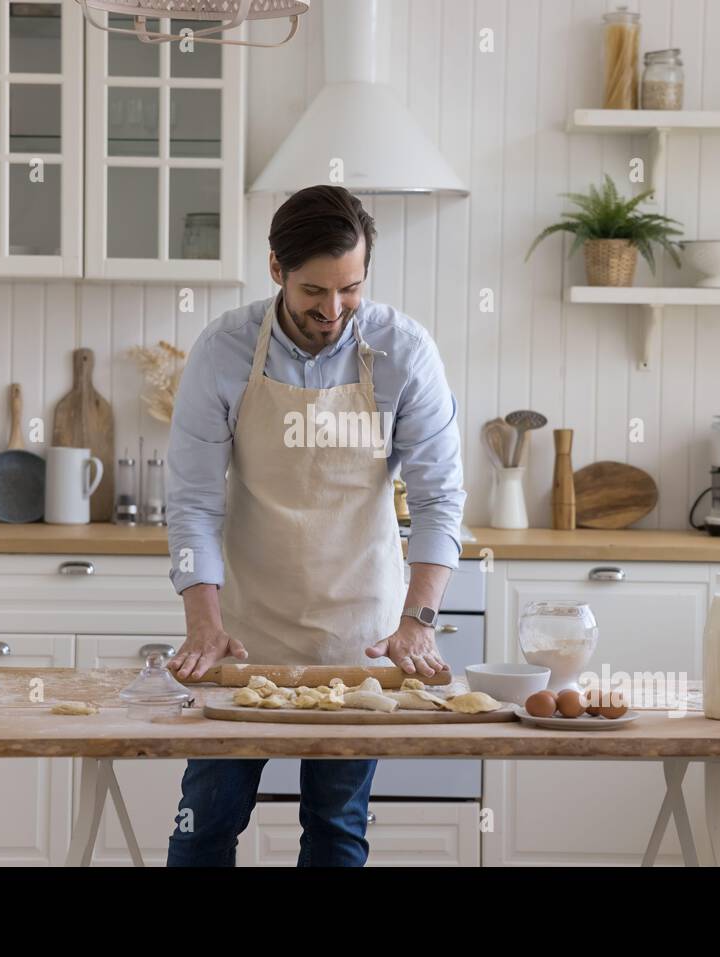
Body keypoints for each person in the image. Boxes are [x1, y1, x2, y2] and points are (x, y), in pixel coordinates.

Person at [164, 184, 466, 866]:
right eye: (313, 291)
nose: (332, 311)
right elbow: (191, 501)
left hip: (358, 639)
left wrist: (419, 616)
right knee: (203, 827)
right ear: (276, 268)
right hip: (241, 637)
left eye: (350, 289)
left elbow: (440, 496)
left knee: (335, 832)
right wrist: (202, 620)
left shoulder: (403, 353)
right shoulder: (223, 350)